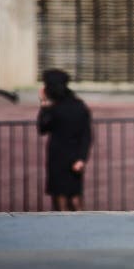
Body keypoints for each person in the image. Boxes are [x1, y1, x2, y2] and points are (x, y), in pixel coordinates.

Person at [37, 69, 93, 211]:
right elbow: (86, 135)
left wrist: (44, 105)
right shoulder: (79, 105)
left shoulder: (55, 108)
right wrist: (81, 158)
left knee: (61, 199)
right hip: (74, 156)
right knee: (74, 197)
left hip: (58, 156)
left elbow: (42, 128)